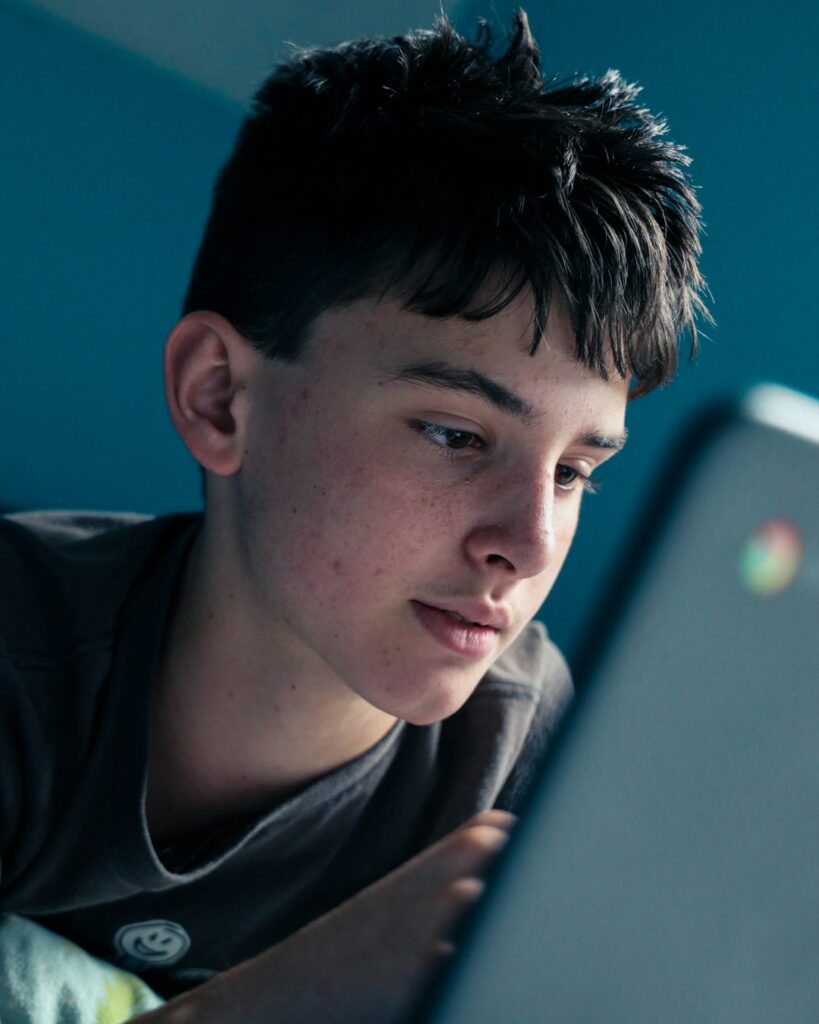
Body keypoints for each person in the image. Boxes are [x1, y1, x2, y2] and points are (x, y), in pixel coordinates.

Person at [0, 9, 708, 1023]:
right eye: (457, 435)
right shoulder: (22, 659)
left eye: (573, 472)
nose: (528, 541)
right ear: (220, 398)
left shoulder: (536, 778)